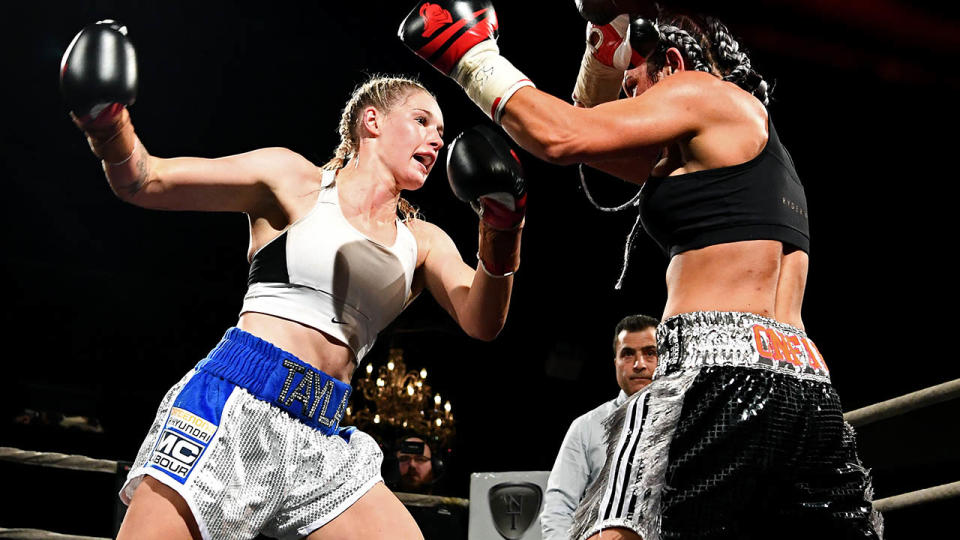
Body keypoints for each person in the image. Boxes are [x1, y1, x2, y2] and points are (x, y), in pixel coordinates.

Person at [400, 2, 883, 539]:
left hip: (712, 371)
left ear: (672, 62)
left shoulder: (700, 92)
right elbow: (592, 136)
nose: (631, 103)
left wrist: (469, 55)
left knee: (619, 531)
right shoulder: (748, 144)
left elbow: (561, 136)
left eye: (635, 85)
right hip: (806, 383)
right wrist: (603, 51)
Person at [61, 20, 527, 540]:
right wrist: (106, 124)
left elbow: (483, 320)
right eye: (422, 120)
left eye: (440, 132)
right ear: (372, 121)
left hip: (324, 431)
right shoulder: (294, 182)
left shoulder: (423, 241)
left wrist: (503, 227)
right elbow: (146, 179)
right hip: (237, 399)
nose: (436, 138)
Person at [541, 314, 658, 540]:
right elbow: (559, 505)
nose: (639, 364)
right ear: (615, 362)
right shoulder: (586, 427)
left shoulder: (687, 422)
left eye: (650, 353)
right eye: (628, 354)